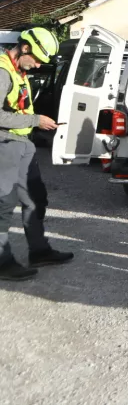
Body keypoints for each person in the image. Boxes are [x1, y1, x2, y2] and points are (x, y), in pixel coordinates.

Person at [0, 26, 72, 281]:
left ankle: (39, 251)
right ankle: (2, 262)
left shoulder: (18, 69)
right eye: (38, 60)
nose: (39, 65)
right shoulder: (2, 71)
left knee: (35, 199)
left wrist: (36, 124)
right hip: (5, 145)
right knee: (4, 204)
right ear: (25, 47)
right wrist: (35, 119)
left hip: (22, 144)